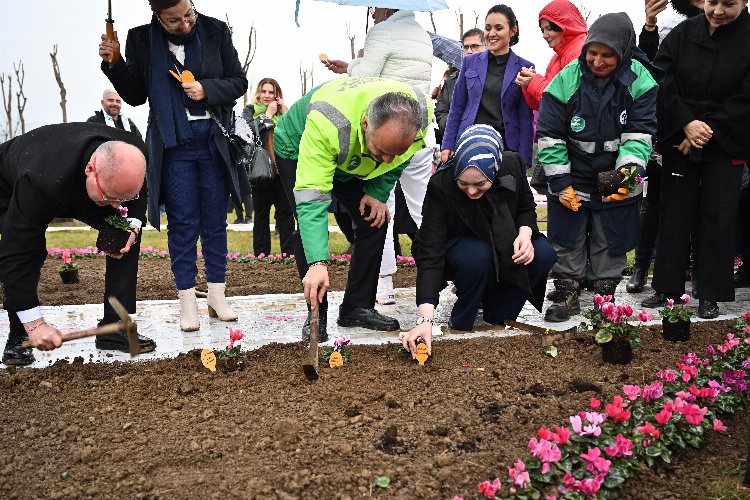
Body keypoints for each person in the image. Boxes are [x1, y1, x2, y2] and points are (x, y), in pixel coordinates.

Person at [98, 0, 248, 332]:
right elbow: (136, 94)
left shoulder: (215, 30)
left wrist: (206, 89)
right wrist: (115, 63)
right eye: (173, 21)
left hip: (213, 143)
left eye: (188, 15)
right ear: (157, 17)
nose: (184, 24)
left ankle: (217, 296)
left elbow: (238, 82)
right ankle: (187, 301)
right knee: (182, 224)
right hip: (173, 147)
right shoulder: (141, 39)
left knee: (214, 222)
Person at [273, 77, 434, 341]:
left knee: (375, 218)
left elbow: (399, 158)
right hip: (298, 145)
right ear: (366, 124)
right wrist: (318, 262)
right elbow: (312, 203)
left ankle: (357, 307)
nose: (387, 160)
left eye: (394, 152)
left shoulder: (419, 115)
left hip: (350, 151)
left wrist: (378, 192)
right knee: (309, 230)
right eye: (381, 151)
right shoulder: (327, 124)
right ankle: (317, 314)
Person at [0, 123, 157, 366]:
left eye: (122, 198)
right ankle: (20, 333)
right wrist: (35, 323)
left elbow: (137, 196)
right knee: (31, 252)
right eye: (111, 198)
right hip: (11, 185)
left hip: (87, 184)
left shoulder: (131, 153)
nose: (117, 206)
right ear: (90, 169)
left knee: (123, 236)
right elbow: (16, 251)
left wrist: (132, 226)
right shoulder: (39, 180)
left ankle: (115, 327)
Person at [536, 12, 658, 322]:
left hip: (617, 166)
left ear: (623, 51)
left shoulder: (640, 81)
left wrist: (624, 177)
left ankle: (605, 291)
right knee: (567, 228)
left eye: (607, 55)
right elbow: (550, 135)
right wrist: (561, 183)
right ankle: (566, 289)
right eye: (593, 53)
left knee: (612, 226)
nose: (598, 62)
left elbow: (639, 134)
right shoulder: (566, 79)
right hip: (573, 166)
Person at [400, 125, 557, 354]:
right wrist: (425, 320)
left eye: (480, 184)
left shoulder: (512, 164)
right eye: (463, 183)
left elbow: (525, 207)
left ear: (494, 171)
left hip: (501, 239)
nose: (471, 192)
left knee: (543, 253)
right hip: (458, 246)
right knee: (477, 256)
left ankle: (499, 310)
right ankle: (463, 316)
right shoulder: (441, 184)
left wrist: (524, 234)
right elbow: (431, 250)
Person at [643, 0, 750, 319]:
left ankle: (710, 292)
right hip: (682, 135)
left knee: (718, 216)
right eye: (712, 2)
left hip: (725, 139)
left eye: (728, 4)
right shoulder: (683, 33)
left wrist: (710, 128)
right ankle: (667, 287)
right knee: (674, 211)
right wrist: (686, 122)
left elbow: (747, 95)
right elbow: (663, 79)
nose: (718, 11)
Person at [321, 7, 434, 306]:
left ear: (387, 7)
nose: (371, 14)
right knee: (425, 208)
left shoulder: (381, 32)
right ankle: (437, 272)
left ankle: (382, 283)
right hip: (419, 129)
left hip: (385, 132)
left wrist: (354, 63)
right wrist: (355, 62)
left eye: (374, 8)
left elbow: (366, 77)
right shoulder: (421, 34)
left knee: (380, 206)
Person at [626, 0, 705, 294]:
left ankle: (698, 274)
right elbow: (649, 64)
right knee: (655, 203)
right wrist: (649, 25)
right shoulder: (666, 14)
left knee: (699, 205)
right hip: (664, 125)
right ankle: (641, 268)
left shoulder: (718, 19)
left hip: (701, 126)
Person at [441, 4, 535, 170]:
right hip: (469, 142)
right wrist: (448, 144)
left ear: (513, 30)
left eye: (499, 28)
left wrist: (524, 158)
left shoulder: (525, 67)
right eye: (488, 28)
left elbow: (525, 117)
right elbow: (457, 107)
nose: (491, 34)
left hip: (507, 148)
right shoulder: (469, 62)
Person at [241, 78, 294, 256]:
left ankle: (288, 252)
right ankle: (261, 253)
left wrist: (285, 113)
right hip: (260, 169)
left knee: (285, 213)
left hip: (282, 170)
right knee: (261, 213)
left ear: (277, 95)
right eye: (264, 91)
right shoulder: (251, 110)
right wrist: (267, 117)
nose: (267, 95)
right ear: (258, 92)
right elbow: (245, 131)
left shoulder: (283, 113)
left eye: (271, 92)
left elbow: (295, 135)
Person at [514, 0, 588, 111]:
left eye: (549, 29)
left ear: (565, 25)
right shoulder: (557, 58)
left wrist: (534, 82)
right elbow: (541, 104)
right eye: (542, 30)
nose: (544, 35)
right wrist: (528, 84)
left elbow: (570, 99)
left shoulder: (579, 52)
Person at [434, 28, 486, 145]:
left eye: (475, 46)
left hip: (485, 141)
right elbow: (441, 112)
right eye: (466, 47)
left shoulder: (494, 78)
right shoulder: (452, 81)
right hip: (455, 142)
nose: (469, 51)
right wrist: (454, 123)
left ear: (485, 47)